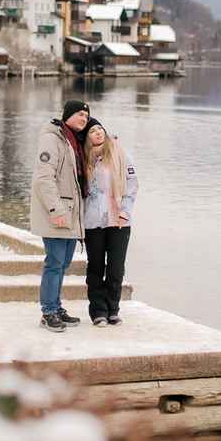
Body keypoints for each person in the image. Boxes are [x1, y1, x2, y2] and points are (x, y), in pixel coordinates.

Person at [30, 99, 90, 331]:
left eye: (86, 116)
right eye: (79, 114)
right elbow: (44, 178)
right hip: (57, 213)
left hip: (71, 214)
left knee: (63, 263)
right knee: (54, 263)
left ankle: (56, 306)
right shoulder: (52, 138)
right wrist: (55, 209)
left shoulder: (73, 141)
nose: (83, 119)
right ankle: (48, 312)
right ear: (67, 115)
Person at [81, 119, 138, 326]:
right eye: (91, 131)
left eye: (99, 128)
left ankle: (113, 308)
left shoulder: (120, 154)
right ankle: (98, 311)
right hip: (92, 221)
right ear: (86, 137)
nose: (97, 132)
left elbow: (132, 184)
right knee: (95, 266)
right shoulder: (82, 158)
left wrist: (125, 211)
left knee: (115, 267)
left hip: (119, 220)